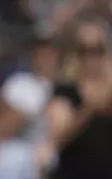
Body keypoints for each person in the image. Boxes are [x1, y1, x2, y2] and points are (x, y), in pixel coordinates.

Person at [45, 20, 112, 179]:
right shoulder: (65, 90)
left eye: (98, 50)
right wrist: (89, 109)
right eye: (84, 50)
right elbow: (59, 137)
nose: (91, 58)